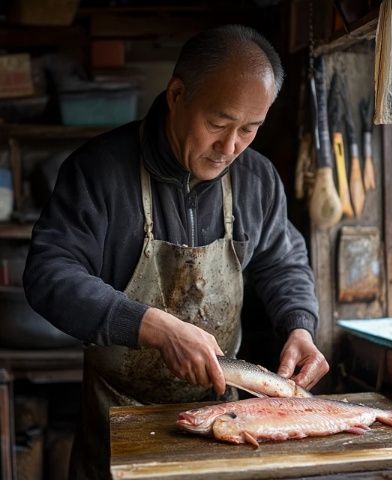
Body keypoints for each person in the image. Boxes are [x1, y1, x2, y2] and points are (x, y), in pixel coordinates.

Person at [23, 24, 329, 479]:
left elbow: (282, 260)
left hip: (223, 425)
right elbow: (49, 273)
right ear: (177, 94)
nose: (230, 148)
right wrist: (149, 325)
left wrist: (299, 325)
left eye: (249, 129)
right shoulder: (99, 172)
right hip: (117, 425)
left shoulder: (257, 180)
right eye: (218, 124)